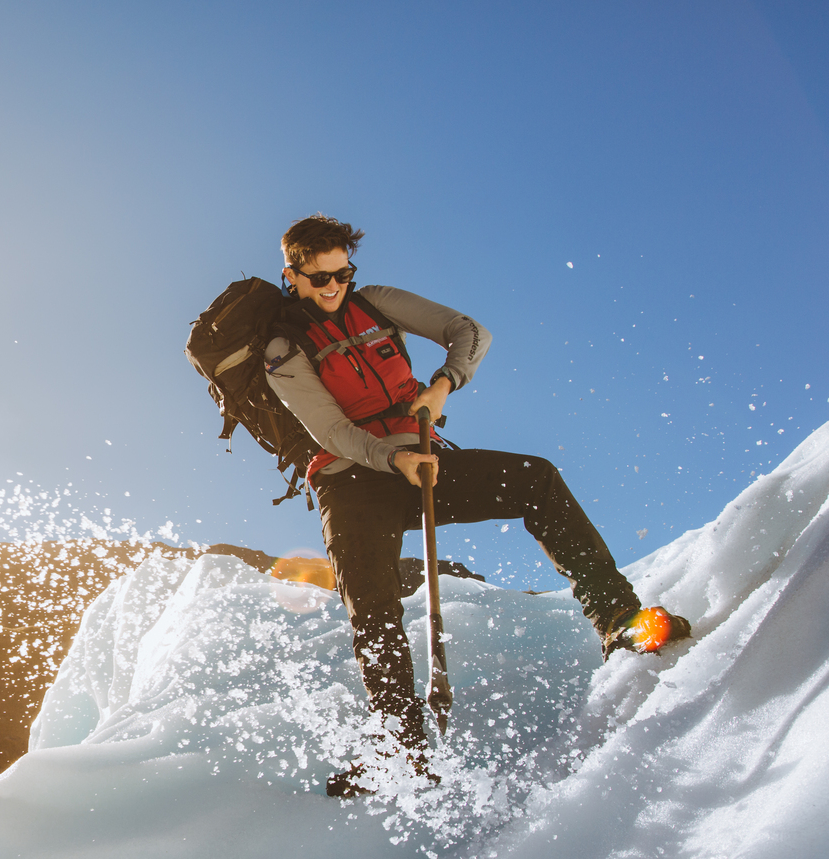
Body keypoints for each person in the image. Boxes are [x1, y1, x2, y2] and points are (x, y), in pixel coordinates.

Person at [263, 214, 689, 796]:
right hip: (351, 478)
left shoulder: (376, 302)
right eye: (320, 279)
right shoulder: (282, 347)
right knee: (372, 603)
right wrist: (395, 459)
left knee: (535, 479)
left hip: (422, 456)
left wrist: (442, 386)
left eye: (343, 274)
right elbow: (331, 431)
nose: (334, 287)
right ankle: (399, 748)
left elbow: (469, 331)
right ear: (292, 275)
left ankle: (617, 619)